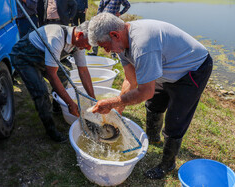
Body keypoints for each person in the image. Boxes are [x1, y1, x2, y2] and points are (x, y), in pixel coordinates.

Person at [88, 13, 213, 179]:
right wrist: (117, 113)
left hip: (192, 70)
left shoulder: (143, 45)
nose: (106, 50)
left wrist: (111, 103)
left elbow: (145, 92)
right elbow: (130, 80)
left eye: (105, 46)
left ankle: (167, 165)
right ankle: (153, 140)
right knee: (154, 105)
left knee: (175, 121)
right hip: (165, 67)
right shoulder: (121, 43)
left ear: (114, 35)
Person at [10, 21, 95, 143]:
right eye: (88, 44)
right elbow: (51, 75)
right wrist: (70, 103)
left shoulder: (79, 43)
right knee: (41, 93)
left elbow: (83, 71)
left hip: (43, 57)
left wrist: (93, 100)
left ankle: (57, 106)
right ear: (80, 34)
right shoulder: (57, 37)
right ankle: (51, 130)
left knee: (64, 76)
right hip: (24, 57)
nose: (88, 48)